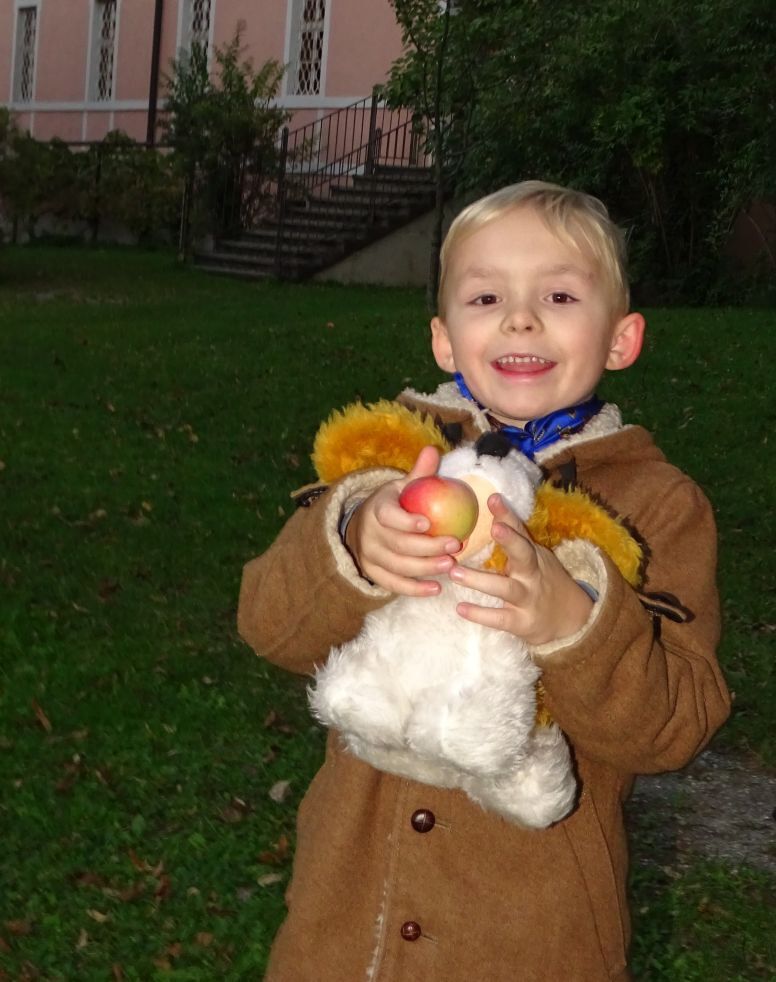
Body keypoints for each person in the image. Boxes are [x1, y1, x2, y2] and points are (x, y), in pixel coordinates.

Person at [238, 181, 730, 981]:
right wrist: (353, 545)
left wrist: (574, 624)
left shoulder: (656, 507)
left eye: (559, 295)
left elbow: (675, 728)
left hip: (534, 944)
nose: (520, 318)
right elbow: (267, 624)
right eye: (486, 296)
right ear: (443, 338)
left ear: (621, 338)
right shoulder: (391, 466)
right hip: (345, 934)